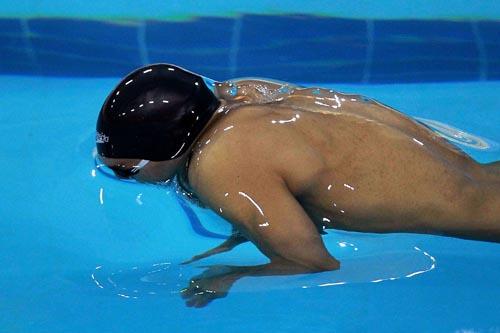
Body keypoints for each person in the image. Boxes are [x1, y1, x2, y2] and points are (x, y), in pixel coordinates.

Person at [95, 63, 500, 307]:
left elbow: (311, 261)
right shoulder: (247, 95)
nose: (121, 177)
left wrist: (226, 276)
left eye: (127, 170)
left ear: (171, 150)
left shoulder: (221, 166)